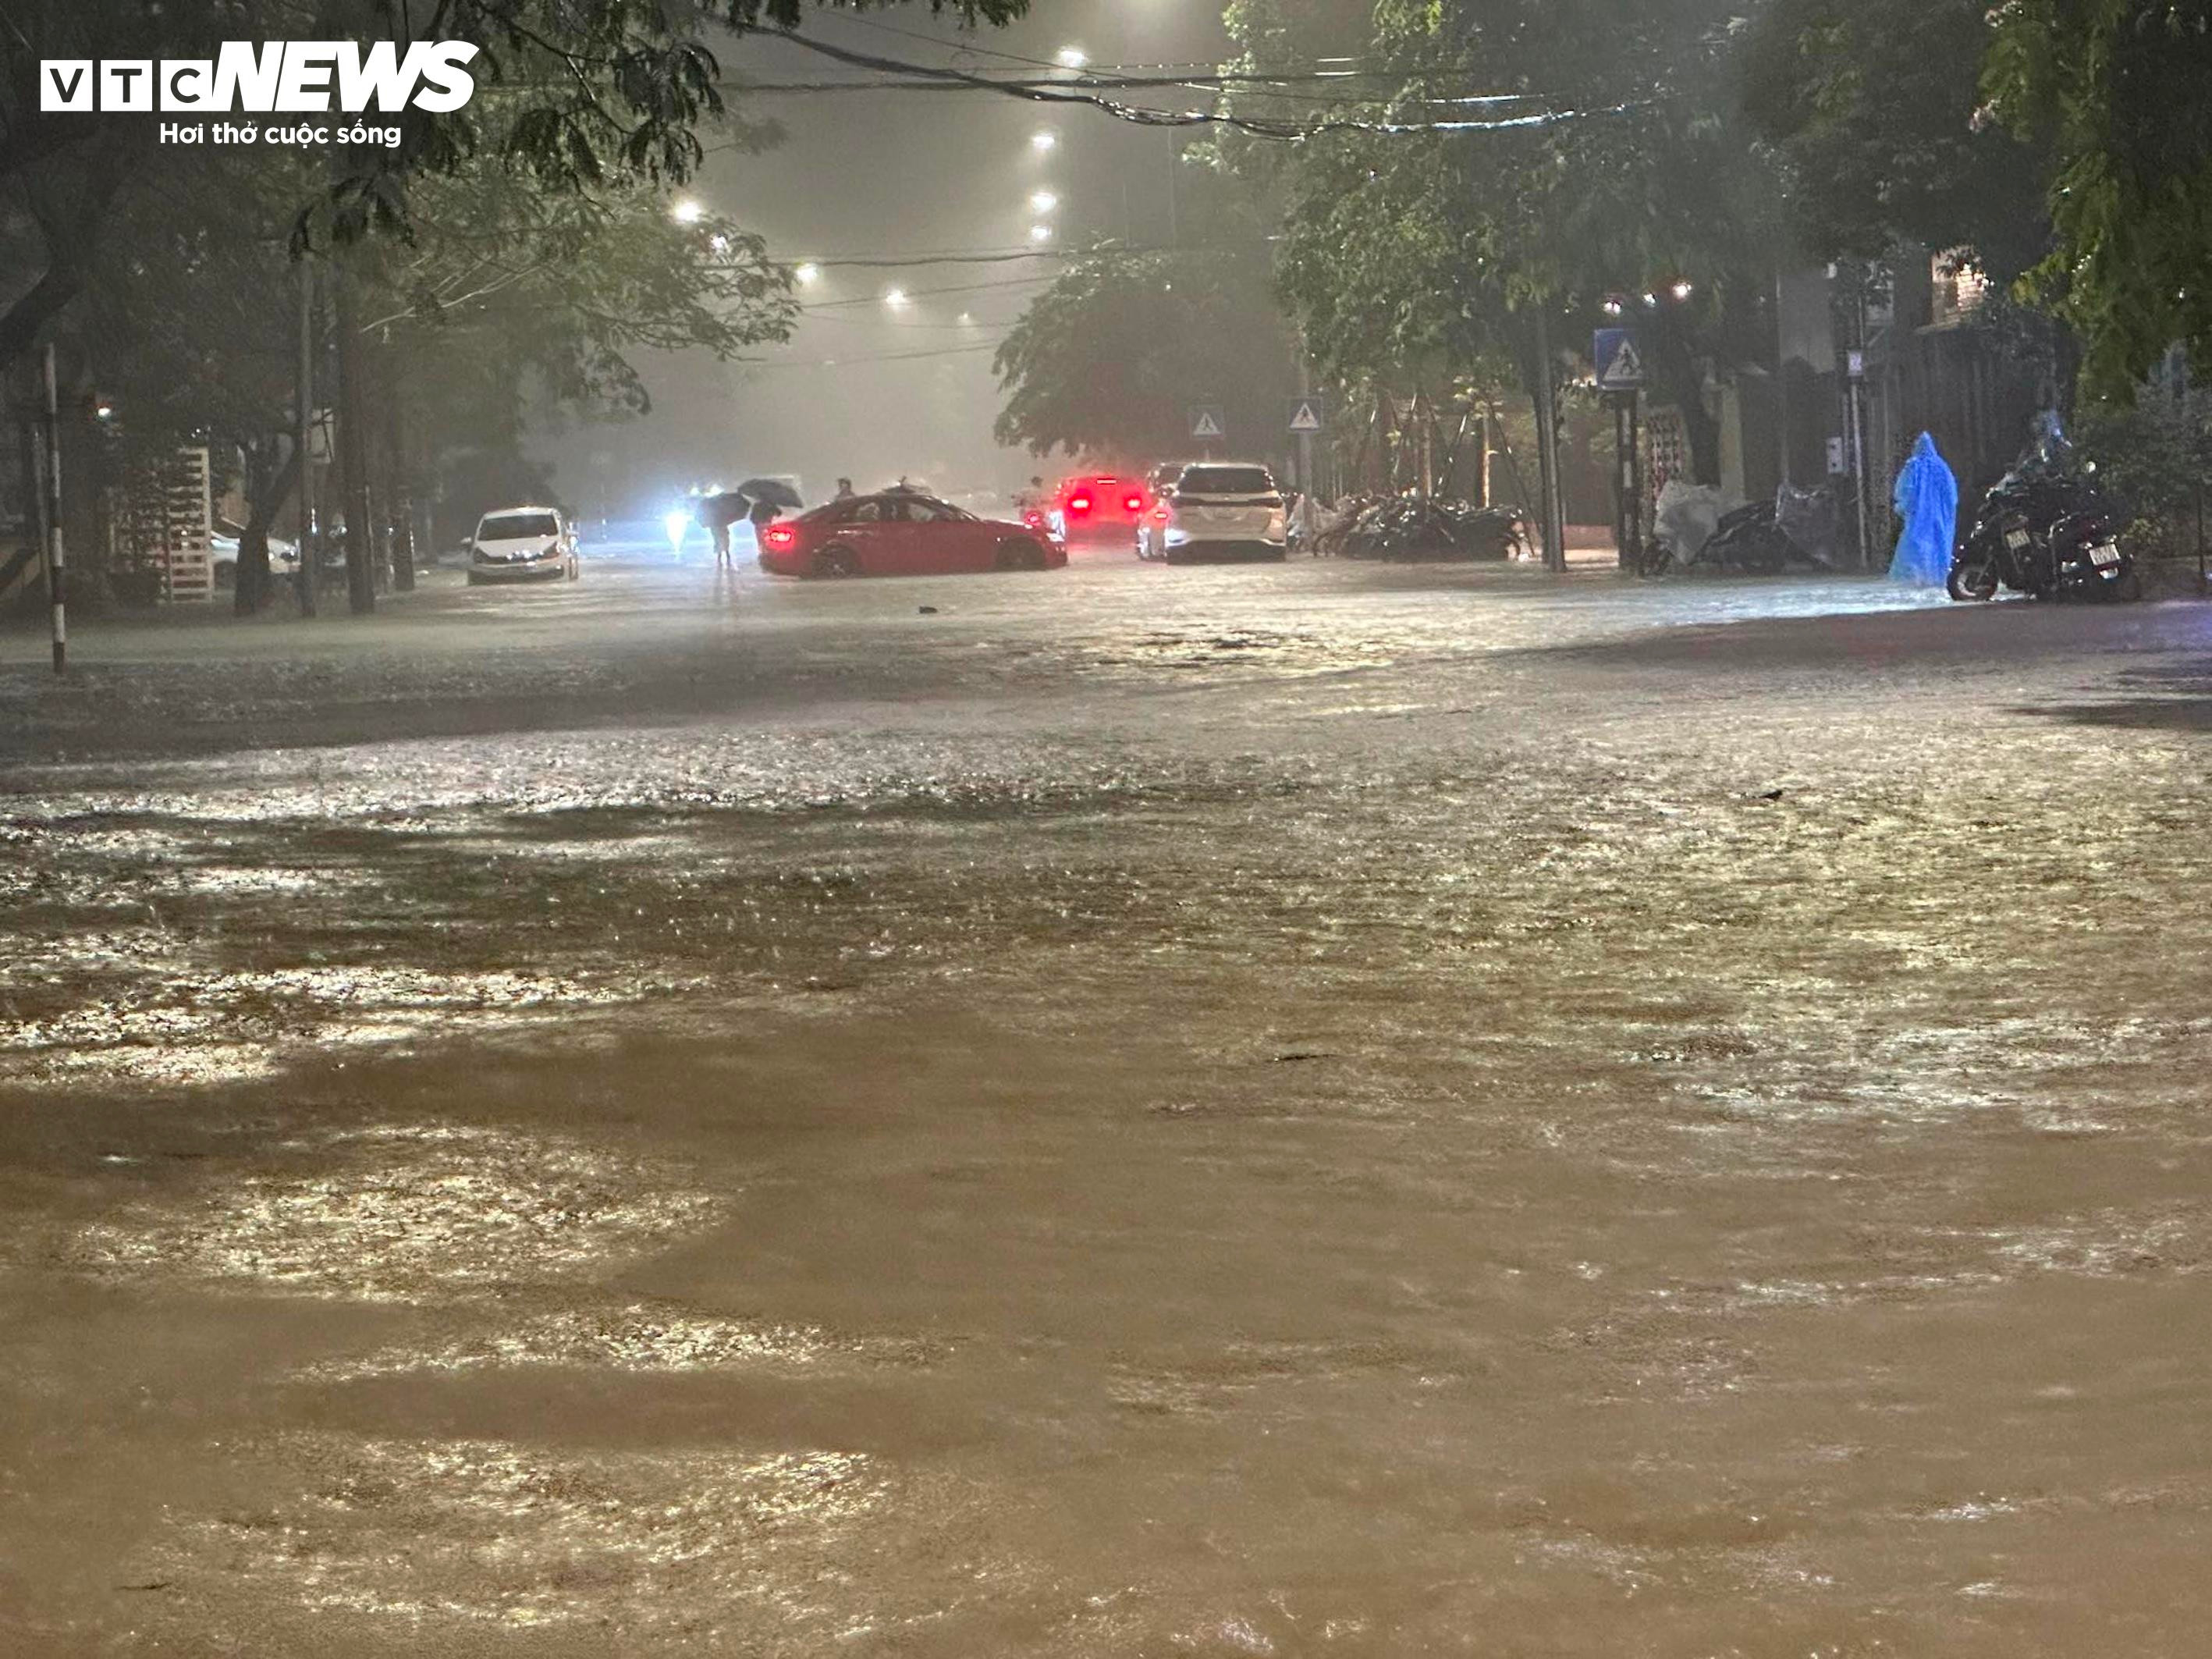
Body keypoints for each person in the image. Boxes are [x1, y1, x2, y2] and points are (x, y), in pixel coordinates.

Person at [1889, 431, 1958, 588]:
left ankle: (1915, 581)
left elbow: (1905, 490)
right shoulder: (1942, 467)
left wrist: (1902, 508)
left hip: (1918, 518)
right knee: (1939, 547)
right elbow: (1952, 496)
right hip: (1940, 518)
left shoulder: (1913, 466)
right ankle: (1937, 580)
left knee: (1916, 547)